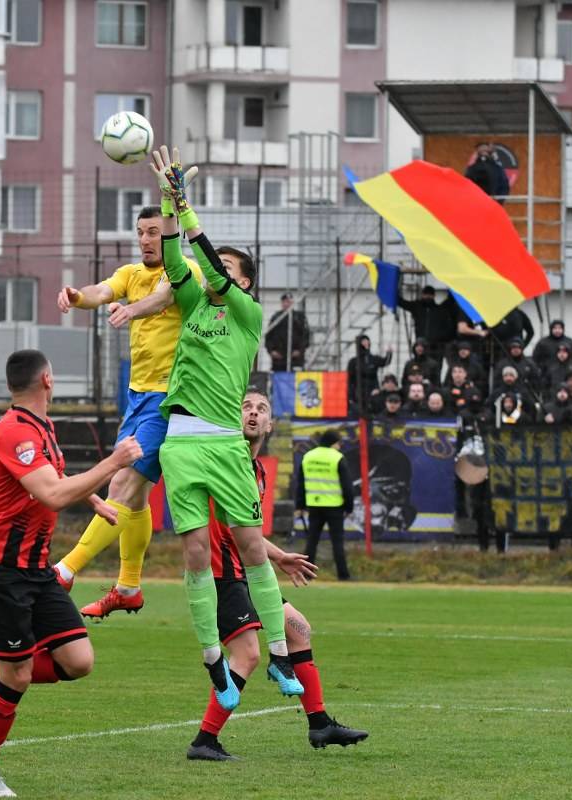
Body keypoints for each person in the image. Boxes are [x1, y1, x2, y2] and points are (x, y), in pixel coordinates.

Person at [151, 144, 304, 709]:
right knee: (194, 553)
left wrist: (189, 211)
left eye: (230, 271)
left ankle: (280, 656)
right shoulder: (194, 306)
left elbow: (208, 263)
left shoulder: (246, 313)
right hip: (181, 443)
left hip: (221, 442)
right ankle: (214, 659)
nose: (214, 275)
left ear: (244, 283)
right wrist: (169, 204)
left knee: (251, 548)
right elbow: (175, 262)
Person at [0, 350, 142, 798]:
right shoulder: (14, 430)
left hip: (36, 570)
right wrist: (113, 463)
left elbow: (53, 478)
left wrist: (91, 497)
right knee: (17, 677)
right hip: (2, 572)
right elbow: (52, 493)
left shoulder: (41, 427)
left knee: (78, 661)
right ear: (47, 380)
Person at [188, 390, 367, 762]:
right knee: (248, 654)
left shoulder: (257, 470)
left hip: (247, 574)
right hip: (222, 576)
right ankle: (205, 740)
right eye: (246, 407)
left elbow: (247, 532)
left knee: (298, 629)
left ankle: (319, 724)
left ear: (270, 424)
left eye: (261, 409)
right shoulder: (224, 459)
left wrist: (280, 555)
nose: (253, 413)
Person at [53, 207, 204, 619]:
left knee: (121, 483)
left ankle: (65, 571)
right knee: (134, 497)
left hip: (169, 399)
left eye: (154, 232)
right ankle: (129, 586)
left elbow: (167, 296)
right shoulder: (130, 273)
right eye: (140, 232)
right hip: (138, 397)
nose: (146, 239)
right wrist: (76, 296)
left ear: (168, 234)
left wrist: (132, 310)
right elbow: (101, 292)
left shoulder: (185, 268)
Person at [295, 430, 354, 581]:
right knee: (337, 542)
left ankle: (307, 574)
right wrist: (349, 507)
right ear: (333, 442)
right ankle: (343, 575)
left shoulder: (308, 456)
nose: (340, 446)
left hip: (314, 505)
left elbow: (300, 484)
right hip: (335, 506)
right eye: (338, 443)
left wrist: (300, 506)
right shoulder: (337, 457)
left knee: (312, 541)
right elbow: (347, 486)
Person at [397, 285, 456, 364]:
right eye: (426, 294)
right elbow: (401, 302)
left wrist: (440, 338)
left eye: (430, 295)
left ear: (434, 296)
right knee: (420, 369)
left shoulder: (440, 310)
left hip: (436, 347)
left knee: (436, 370)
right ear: (422, 295)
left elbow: (451, 300)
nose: (428, 296)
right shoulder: (417, 307)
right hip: (421, 346)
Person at [346, 334, 392, 413]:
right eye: (364, 341)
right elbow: (350, 380)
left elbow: (385, 362)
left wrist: (389, 353)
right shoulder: (353, 362)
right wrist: (350, 396)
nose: (366, 343)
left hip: (373, 390)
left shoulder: (373, 359)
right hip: (359, 391)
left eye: (367, 341)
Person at [265, 293, 310, 372]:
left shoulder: (299, 317)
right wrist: (272, 351)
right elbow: (269, 335)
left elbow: (306, 335)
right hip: (279, 358)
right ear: (282, 303)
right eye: (284, 302)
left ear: (292, 303)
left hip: (295, 358)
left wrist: (300, 350)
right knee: (279, 379)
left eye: (289, 302)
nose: (286, 304)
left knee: (295, 379)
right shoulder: (276, 317)